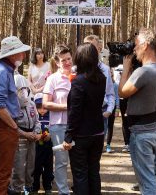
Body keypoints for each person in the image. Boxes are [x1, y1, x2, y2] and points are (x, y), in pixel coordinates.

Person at [118, 28, 156, 195]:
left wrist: (126, 67)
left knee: (147, 183)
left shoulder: (144, 72)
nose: (134, 49)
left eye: (136, 45)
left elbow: (122, 92)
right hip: (155, 130)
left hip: (141, 134)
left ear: (146, 45)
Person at [63, 43, 106, 195]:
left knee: (80, 175)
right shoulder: (102, 78)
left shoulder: (79, 81)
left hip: (81, 135)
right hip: (98, 132)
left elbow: (75, 112)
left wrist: (68, 136)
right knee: (94, 171)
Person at [0, 36, 30, 195]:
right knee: (3, 171)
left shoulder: (3, 70)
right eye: (20, 52)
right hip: (3, 124)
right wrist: (13, 126)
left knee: (4, 170)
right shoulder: (2, 72)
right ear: (12, 54)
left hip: (5, 124)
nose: (23, 56)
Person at [43, 45, 72, 195]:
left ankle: (80, 188)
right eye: (63, 60)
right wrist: (67, 106)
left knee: (79, 160)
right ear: (57, 62)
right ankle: (63, 191)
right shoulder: (52, 79)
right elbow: (45, 103)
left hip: (79, 126)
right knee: (61, 161)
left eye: (69, 59)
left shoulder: (79, 76)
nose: (67, 62)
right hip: (59, 125)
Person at [8, 70, 41, 195]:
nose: (22, 93)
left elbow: (37, 120)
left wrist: (36, 132)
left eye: (24, 89)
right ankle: (17, 189)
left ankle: (29, 186)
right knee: (19, 167)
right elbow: (12, 126)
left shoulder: (32, 104)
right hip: (19, 139)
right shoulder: (11, 108)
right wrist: (25, 134)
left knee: (30, 166)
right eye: (19, 90)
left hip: (32, 138)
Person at [83, 35, 115, 135]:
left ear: (99, 49)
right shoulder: (77, 69)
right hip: (83, 114)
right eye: (88, 46)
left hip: (101, 114)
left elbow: (110, 93)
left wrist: (109, 110)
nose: (90, 50)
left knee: (98, 149)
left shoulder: (105, 69)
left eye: (93, 47)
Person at [31, 94, 54, 195]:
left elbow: (55, 129)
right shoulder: (34, 117)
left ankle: (48, 187)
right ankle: (34, 187)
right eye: (39, 108)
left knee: (48, 167)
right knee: (36, 167)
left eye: (44, 108)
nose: (42, 110)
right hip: (36, 147)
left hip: (48, 146)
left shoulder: (52, 116)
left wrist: (50, 135)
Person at [106, 69, 120, 153]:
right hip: (103, 108)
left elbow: (117, 97)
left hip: (112, 107)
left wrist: (117, 109)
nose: (110, 74)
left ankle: (108, 144)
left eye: (111, 72)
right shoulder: (102, 83)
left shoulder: (115, 85)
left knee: (110, 126)